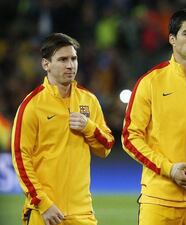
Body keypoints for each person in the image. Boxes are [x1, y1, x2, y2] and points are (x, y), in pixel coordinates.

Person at [121, 8, 186, 225]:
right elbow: (130, 137)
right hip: (158, 200)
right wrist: (168, 169)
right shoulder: (150, 82)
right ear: (172, 39)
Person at [11, 33, 114, 225]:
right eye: (63, 59)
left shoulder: (89, 100)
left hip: (82, 213)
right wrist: (43, 203)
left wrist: (88, 127)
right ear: (46, 64)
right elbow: (20, 157)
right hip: (45, 213)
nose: (70, 65)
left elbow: (106, 147)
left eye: (73, 59)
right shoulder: (32, 105)